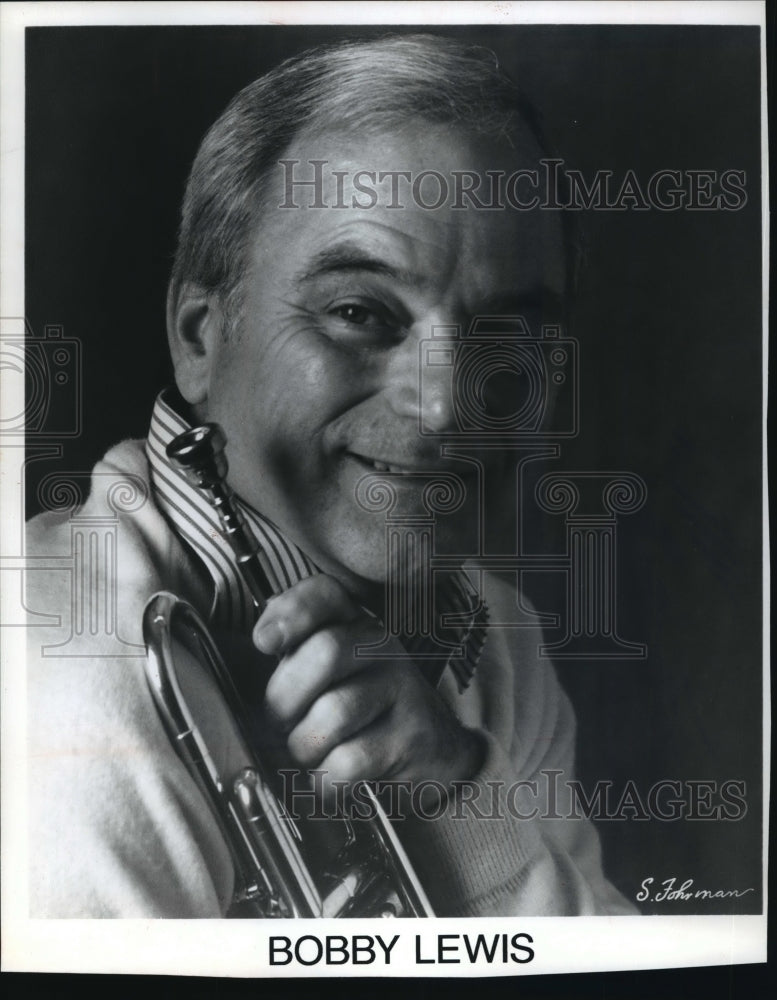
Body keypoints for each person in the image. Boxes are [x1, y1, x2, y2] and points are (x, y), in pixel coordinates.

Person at [25, 34, 636, 918]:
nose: (443, 409)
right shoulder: (59, 673)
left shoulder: (499, 640)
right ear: (201, 335)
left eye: (507, 336)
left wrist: (454, 796)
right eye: (359, 313)